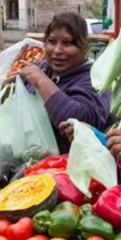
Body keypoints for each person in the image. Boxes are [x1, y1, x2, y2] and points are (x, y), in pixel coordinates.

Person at [12, 12, 111, 153]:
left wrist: (42, 81)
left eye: (67, 43)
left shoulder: (96, 81)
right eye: (52, 42)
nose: (57, 50)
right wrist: (9, 88)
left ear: (84, 48)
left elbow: (82, 122)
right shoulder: (43, 68)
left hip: (65, 167)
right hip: (29, 159)